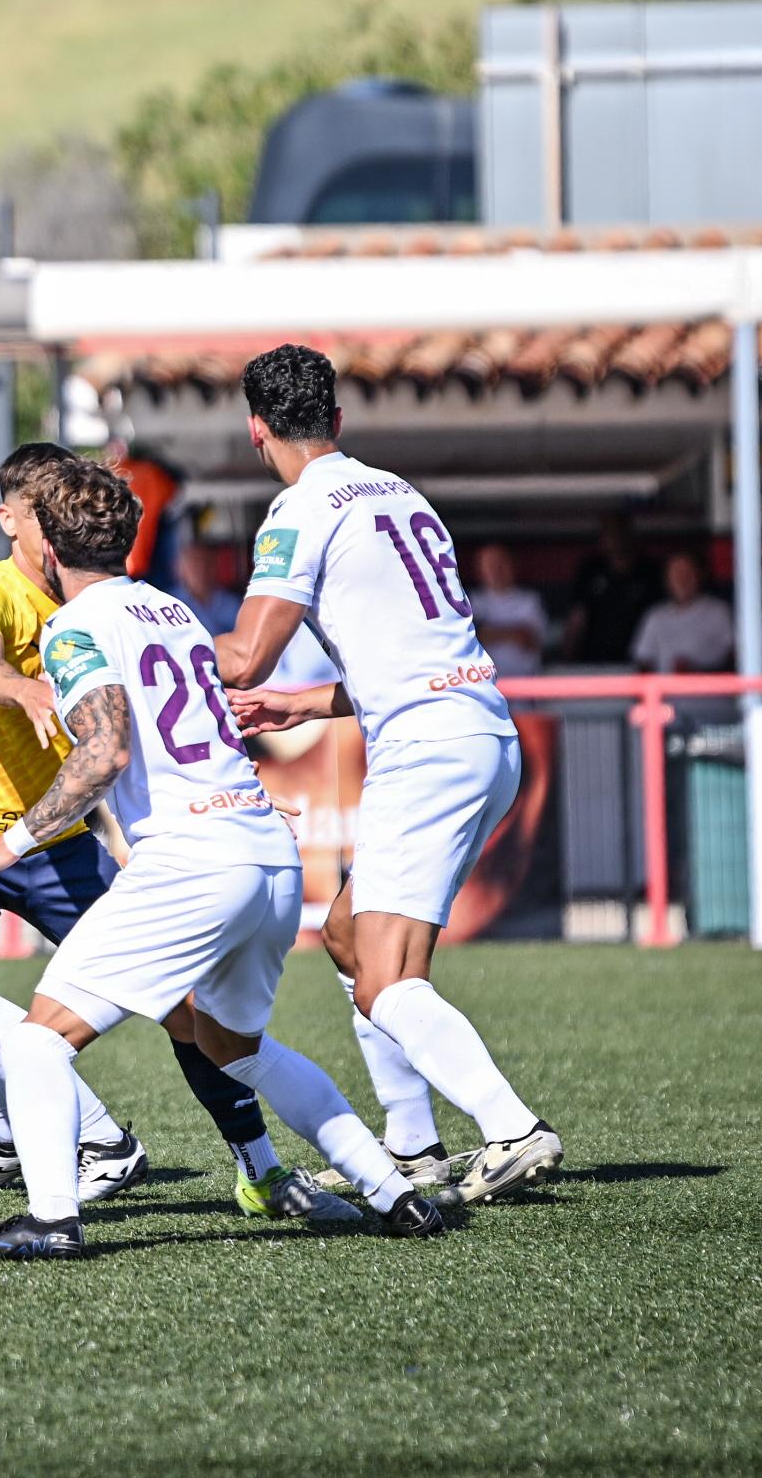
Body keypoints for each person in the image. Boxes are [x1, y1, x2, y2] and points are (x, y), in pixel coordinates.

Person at [0, 454, 449, 1259]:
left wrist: (4, 844)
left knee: (38, 1041)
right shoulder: (172, 613)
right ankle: (394, 1193)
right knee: (230, 1046)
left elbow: (103, 753)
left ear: (47, 551)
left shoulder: (72, 627)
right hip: (265, 854)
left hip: (192, 860)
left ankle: (50, 1220)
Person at [0, 442, 320, 1240]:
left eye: (56, 518)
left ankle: (260, 1168)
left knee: (185, 1007)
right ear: (12, 520)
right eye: (37, 516)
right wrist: (21, 684)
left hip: (54, 840)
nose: (48, 535)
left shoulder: (102, 608)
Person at [216, 344, 562, 1207]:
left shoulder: (298, 510)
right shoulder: (397, 491)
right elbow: (406, 647)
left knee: (385, 977)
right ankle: (411, 1145)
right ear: (335, 421)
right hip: (479, 731)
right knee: (345, 935)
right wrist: (305, 704)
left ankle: (511, 1128)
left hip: (428, 750)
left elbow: (245, 654)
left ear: (255, 430)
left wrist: (142, 642)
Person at [563, 513, 660, 666]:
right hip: (593, 663)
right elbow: (577, 618)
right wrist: (567, 661)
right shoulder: (591, 569)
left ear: (630, 535)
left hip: (636, 663)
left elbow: (661, 619)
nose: (615, 540)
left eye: (619, 532)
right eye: (609, 534)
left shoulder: (649, 571)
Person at [630, 552, 735, 674]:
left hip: (710, 690)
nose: (682, 579)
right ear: (667, 579)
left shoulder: (719, 611)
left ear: (699, 575)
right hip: (666, 691)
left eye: (687, 573)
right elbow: (643, 661)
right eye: (676, 574)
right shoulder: (655, 616)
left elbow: (734, 658)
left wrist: (698, 672)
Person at [470, 543, 549, 679]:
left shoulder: (530, 600)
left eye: (501, 563)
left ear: (512, 564)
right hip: (485, 687)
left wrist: (487, 632)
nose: (496, 570)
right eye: (489, 565)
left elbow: (528, 640)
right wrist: (512, 632)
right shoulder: (470, 602)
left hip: (525, 687)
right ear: (480, 569)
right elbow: (470, 640)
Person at [174, 545, 241, 635]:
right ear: (180, 569)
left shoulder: (232, 604)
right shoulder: (168, 602)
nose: (201, 570)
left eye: (207, 563)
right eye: (194, 564)